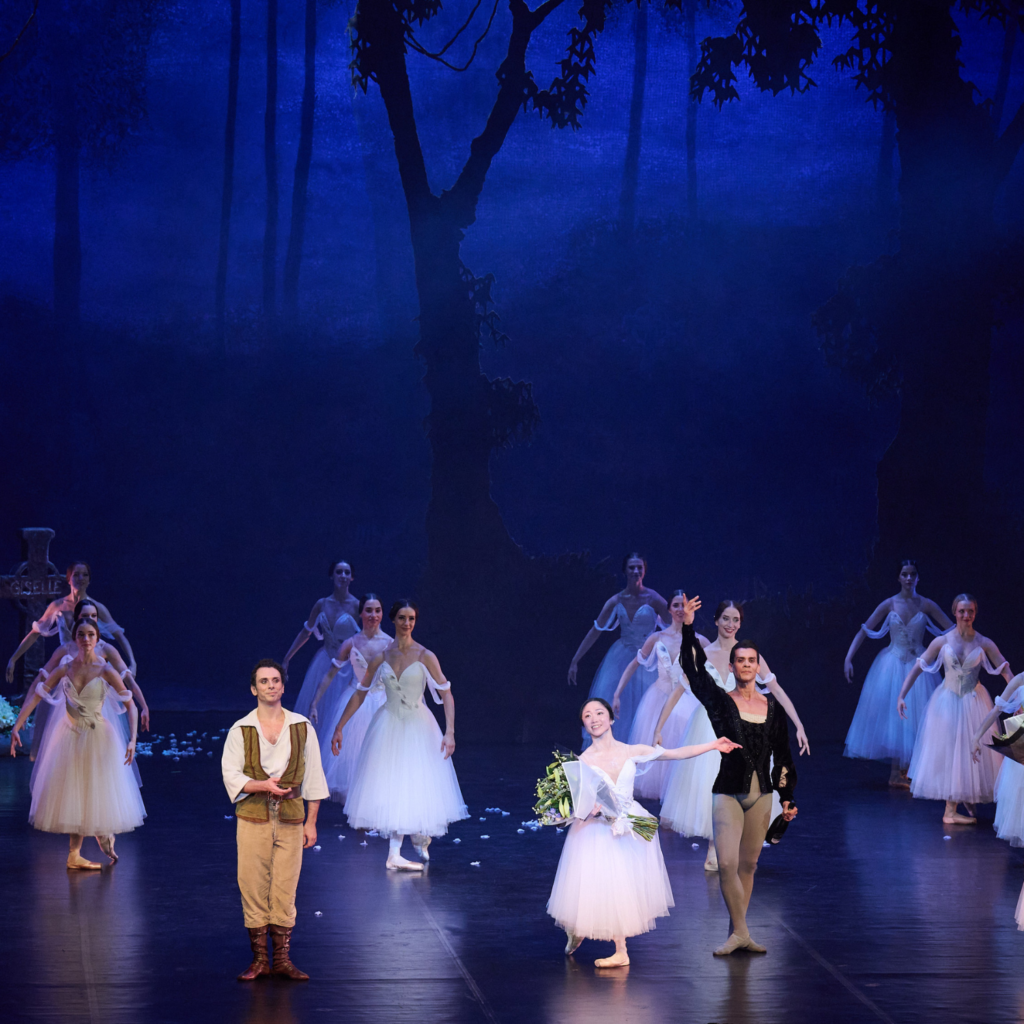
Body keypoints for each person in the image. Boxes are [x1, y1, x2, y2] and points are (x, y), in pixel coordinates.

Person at [547, 697, 740, 968]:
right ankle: (577, 930)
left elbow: (674, 753)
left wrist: (714, 745)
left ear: (611, 718)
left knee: (621, 885)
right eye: (587, 715)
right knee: (596, 885)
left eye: (599, 713)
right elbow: (574, 805)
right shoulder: (581, 762)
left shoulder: (630, 751)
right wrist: (581, 810)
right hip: (596, 830)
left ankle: (621, 951)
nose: (594, 719)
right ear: (583, 724)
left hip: (630, 825)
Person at [677, 595, 798, 955]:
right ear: (732, 667)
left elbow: (784, 756)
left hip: (763, 797)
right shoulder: (720, 701)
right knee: (727, 863)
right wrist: (687, 627)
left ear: (758, 666)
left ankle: (739, 930)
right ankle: (742, 932)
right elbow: (693, 669)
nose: (746, 665)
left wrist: (788, 797)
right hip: (728, 792)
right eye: (740, 661)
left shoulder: (771, 708)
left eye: (752, 661)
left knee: (749, 864)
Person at [657, 599, 808, 871]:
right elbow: (679, 690)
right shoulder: (704, 652)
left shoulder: (749, 656)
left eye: (735, 619)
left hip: (748, 728)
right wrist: (658, 728)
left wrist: (798, 723)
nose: (730, 624)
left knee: (748, 783)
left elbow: (776, 689)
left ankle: (735, 846)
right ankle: (716, 846)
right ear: (716, 621)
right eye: (725, 618)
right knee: (711, 783)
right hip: (710, 727)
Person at [334, 600, 467, 870]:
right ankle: (394, 853)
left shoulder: (425, 655)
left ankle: (419, 833)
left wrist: (450, 731)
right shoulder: (381, 657)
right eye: (403, 618)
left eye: (412, 619)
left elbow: (446, 693)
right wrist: (340, 727)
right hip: (388, 723)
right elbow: (360, 694)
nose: (407, 623)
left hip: (418, 725)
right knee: (394, 783)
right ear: (393, 620)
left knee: (416, 780)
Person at [221, 658, 329, 982]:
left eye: (275, 680)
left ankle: (282, 958)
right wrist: (261, 785)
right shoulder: (242, 729)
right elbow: (231, 773)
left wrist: (311, 822)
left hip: (291, 819)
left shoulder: (301, 727)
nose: (271, 686)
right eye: (264, 681)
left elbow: (314, 778)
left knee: (285, 886)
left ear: (283, 686)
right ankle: (259, 960)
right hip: (253, 817)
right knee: (253, 885)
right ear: (254, 688)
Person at [8, 618, 144, 869]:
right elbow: (37, 696)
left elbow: (130, 705)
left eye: (91, 634)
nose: (86, 639)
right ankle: (75, 854)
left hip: (98, 736)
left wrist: (133, 739)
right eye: (81, 634)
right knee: (74, 791)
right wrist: (18, 725)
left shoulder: (106, 670)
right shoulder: (65, 667)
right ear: (75, 638)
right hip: (69, 734)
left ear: (97, 638)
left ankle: (102, 833)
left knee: (95, 788)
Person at [899, 594, 1012, 825]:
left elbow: (1006, 672)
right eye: (962, 611)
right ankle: (949, 811)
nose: (966, 615)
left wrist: (1018, 700)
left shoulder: (983, 642)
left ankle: (965, 795)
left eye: (970, 611)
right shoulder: (942, 641)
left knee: (971, 750)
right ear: (954, 612)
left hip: (974, 701)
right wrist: (902, 695)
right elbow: (917, 668)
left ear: (975, 613)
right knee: (952, 750)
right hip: (947, 701)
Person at [843, 560, 952, 786]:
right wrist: (848, 658)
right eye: (905, 574)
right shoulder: (889, 604)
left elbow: (952, 630)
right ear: (899, 578)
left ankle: (909, 771)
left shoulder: (926, 604)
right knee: (894, 719)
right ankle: (895, 773)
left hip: (918, 665)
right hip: (891, 663)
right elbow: (864, 630)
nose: (909, 578)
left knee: (917, 717)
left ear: (918, 578)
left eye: (913, 574)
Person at [27, 600, 151, 772]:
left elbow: (127, 681)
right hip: (69, 706)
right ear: (77, 618)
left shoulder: (105, 649)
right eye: (85, 616)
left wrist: (143, 705)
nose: (91, 618)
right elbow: (41, 681)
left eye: (94, 616)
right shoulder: (66, 650)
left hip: (97, 707)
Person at [568, 553, 671, 742]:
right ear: (625, 571)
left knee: (646, 706)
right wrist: (576, 659)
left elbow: (676, 627)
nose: (635, 571)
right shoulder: (616, 600)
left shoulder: (653, 598)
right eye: (631, 567)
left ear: (644, 570)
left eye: (639, 567)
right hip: (621, 657)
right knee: (615, 705)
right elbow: (595, 630)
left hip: (647, 659)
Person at [611, 591, 695, 799]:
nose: (680, 609)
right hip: (658, 699)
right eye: (675, 605)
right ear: (668, 609)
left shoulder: (698, 640)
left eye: (684, 605)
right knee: (659, 747)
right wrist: (616, 694)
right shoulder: (657, 638)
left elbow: (718, 663)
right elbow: (633, 665)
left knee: (683, 746)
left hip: (686, 701)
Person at [309, 593, 392, 801]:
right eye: (369, 610)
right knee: (354, 757)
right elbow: (329, 675)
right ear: (361, 613)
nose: (373, 615)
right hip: (356, 703)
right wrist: (315, 702)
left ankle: (377, 805)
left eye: (378, 610)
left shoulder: (391, 644)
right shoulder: (351, 643)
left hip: (383, 702)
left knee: (381, 756)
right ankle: (358, 810)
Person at [6, 561, 137, 683]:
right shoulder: (57, 605)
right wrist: (13, 659)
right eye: (77, 575)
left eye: (85, 575)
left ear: (89, 580)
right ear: (68, 579)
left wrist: (132, 662)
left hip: (91, 664)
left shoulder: (96, 607)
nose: (81, 578)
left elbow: (119, 635)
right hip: (67, 664)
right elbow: (35, 633)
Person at [282, 560, 360, 718]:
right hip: (324, 663)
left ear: (352, 577)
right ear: (332, 575)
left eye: (347, 572)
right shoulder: (322, 604)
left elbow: (368, 637)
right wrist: (287, 658)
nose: (343, 576)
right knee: (320, 711)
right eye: (339, 572)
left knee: (341, 713)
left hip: (348, 666)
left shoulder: (357, 605)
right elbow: (306, 632)